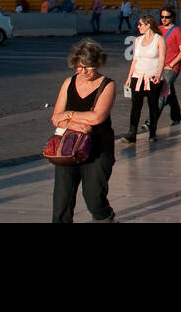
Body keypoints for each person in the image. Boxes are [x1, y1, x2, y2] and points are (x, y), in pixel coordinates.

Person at [50, 39, 116, 222]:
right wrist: (77, 124)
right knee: (61, 202)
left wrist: (68, 115)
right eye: (79, 67)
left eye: (88, 66)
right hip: (68, 149)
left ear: (97, 63)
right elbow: (56, 117)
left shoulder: (107, 85)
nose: (83, 71)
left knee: (94, 198)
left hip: (98, 150)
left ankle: (106, 218)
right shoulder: (68, 83)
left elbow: (97, 118)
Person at [121, 15, 165, 143]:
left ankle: (152, 132)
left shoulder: (159, 40)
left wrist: (159, 74)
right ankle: (132, 132)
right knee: (135, 105)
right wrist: (129, 77)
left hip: (153, 77)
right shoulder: (138, 40)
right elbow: (135, 59)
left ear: (148, 25)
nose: (138, 27)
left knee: (153, 105)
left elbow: (162, 59)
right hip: (138, 76)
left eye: (140, 24)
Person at [158, 7, 181, 124]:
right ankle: (177, 117)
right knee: (171, 93)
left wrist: (171, 64)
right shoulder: (158, 29)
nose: (164, 19)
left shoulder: (177, 31)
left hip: (171, 68)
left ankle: (150, 122)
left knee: (161, 94)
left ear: (173, 17)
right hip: (160, 66)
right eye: (162, 17)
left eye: (167, 17)